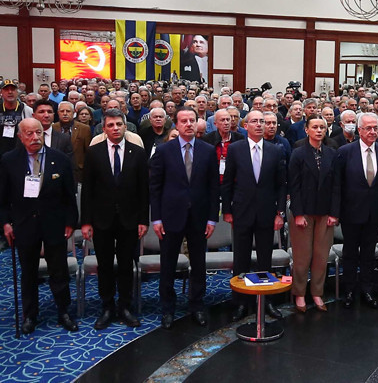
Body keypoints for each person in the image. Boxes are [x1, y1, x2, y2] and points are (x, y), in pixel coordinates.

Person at [0, 118, 79, 334]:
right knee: (28, 272)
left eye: (38, 133)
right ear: (20, 137)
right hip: (24, 225)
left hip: (54, 224)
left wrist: (71, 222)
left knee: (59, 270)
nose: (35, 137)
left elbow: (69, 196)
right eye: (29, 134)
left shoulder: (59, 159)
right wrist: (5, 223)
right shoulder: (9, 160)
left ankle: (63, 311)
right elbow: (3, 198)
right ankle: (30, 314)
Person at [149, 107, 220, 329]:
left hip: (199, 216)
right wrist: (156, 219)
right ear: (176, 124)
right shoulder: (164, 151)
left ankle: (197, 305)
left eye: (192, 120)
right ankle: (167, 308)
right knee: (168, 264)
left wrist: (212, 219)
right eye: (184, 121)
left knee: (198, 263)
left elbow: (213, 188)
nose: (188, 124)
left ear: (197, 123)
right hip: (170, 216)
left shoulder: (208, 151)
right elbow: (155, 188)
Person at [80, 109, 149, 329]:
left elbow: (144, 190)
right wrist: (86, 221)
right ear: (104, 128)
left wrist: (143, 220)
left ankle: (125, 306)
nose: (115, 128)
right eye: (110, 125)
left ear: (125, 126)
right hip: (101, 219)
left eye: (119, 124)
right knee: (105, 265)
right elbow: (87, 190)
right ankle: (107, 307)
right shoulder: (94, 152)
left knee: (127, 264)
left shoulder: (138, 152)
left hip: (130, 219)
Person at [222, 110, 287, 321]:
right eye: (255, 121)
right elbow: (227, 182)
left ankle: (266, 301)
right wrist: (227, 210)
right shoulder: (235, 149)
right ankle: (240, 302)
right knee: (240, 259)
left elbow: (281, 185)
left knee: (265, 259)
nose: (259, 124)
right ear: (245, 125)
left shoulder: (275, 150)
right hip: (241, 211)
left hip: (267, 212)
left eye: (262, 121)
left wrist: (280, 213)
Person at [331, 112, 378, 309]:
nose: (373, 132)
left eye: (375, 128)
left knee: (368, 253)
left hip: (375, 213)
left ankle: (367, 289)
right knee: (350, 252)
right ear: (359, 130)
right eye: (368, 128)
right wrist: (336, 212)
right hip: (350, 212)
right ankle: (349, 290)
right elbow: (337, 185)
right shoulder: (345, 152)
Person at [288, 114, 338, 312]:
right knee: (302, 256)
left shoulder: (332, 153)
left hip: (325, 212)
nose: (319, 130)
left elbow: (336, 186)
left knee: (321, 256)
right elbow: (294, 186)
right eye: (315, 127)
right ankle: (300, 293)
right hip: (304, 212)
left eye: (322, 127)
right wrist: (298, 213)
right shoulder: (298, 153)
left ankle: (317, 293)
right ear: (306, 130)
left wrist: (334, 213)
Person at [53, 101, 92, 183]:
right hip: (56, 170)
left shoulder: (84, 129)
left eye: (68, 111)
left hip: (78, 171)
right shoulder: (53, 128)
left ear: (74, 112)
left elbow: (88, 152)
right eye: (62, 111)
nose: (65, 114)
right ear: (58, 113)